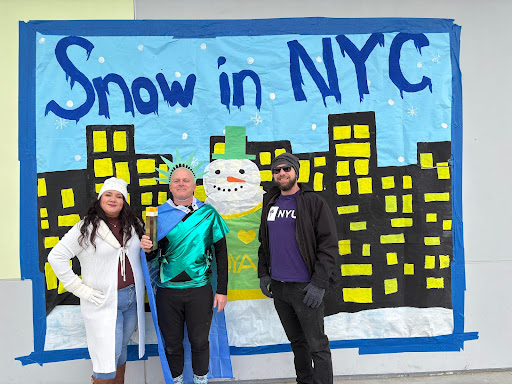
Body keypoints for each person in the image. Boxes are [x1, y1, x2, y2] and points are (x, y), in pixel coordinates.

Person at [48, 177, 146, 384]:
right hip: (102, 300)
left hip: (131, 298)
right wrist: (79, 289)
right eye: (108, 194)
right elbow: (56, 257)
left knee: (119, 352)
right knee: (105, 358)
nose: (113, 199)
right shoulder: (86, 228)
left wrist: (148, 246)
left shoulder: (134, 224)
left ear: (124, 201)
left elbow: (141, 255)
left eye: (119, 196)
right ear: (100, 198)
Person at [141, 157, 229, 384]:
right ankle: (176, 382)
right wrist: (147, 249)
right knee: (172, 343)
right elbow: (150, 257)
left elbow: (221, 254)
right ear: (170, 186)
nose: (181, 184)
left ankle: (201, 381)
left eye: (186, 180)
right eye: (176, 180)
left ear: (194, 185)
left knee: (200, 342)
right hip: (167, 291)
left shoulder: (209, 214)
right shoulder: (154, 216)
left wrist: (222, 290)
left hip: (199, 290)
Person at [257, 153, 340, 384]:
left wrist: (319, 284)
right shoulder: (271, 203)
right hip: (280, 289)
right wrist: (264, 273)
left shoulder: (314, 202)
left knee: (317, 346)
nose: (281, 173)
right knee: (298, 344)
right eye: (277, 170)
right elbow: (264, 242)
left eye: (286, 169)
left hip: (305, 289)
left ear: (296, 171)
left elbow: (328, 245)